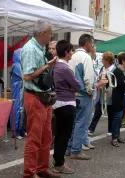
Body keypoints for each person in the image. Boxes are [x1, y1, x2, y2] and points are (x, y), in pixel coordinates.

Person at [21, 20, 60, 178]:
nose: (52, 36)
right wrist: (47, 66)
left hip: (43, 97)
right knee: (35, 138)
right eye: (50, 33)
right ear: (43, 33)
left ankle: (41, 169)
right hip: (35, 96)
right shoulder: (30, 49)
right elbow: (27, 76)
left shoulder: (41, 47)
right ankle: (30, 173)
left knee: (46, 137)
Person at [52, 40, 81, 174]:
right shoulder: (65, 68)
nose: (72, 53)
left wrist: (72, 87)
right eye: (71, 51)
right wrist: (72, 88)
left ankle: (57, 160)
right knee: (65, 135)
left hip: (58, 103)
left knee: (59, 134)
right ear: (66, 52)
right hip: (67, 103)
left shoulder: (56, 66)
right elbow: (78, 86)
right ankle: (59, 163)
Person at [66, 34, 95, 160]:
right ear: (87, 44)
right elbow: (88, 78)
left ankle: (69, 148)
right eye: (92, 44)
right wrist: (90, 91)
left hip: (71, 93)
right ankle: (76, 150)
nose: (92, 46)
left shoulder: (71, 56)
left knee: (73, 123)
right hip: (82, 94)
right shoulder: (86, 57)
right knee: (81, 123)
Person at [88, 52, 116, 136]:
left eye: (103, 58)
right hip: (101, 94)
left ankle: (110, 130)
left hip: (110, 94)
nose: (102, 60)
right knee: (97, 111)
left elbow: (114, 82)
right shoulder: (102, 68)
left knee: (111, 112)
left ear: (106, 60)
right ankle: (91, 128)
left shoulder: (114, 69)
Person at [10, 48, 25, 139]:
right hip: (18, 89)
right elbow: (24, 76)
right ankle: (16, 131)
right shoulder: (16, 65)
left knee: (22, 109)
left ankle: (21, 129)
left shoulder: (18, 64)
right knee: (17, 109)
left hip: (21, 88)